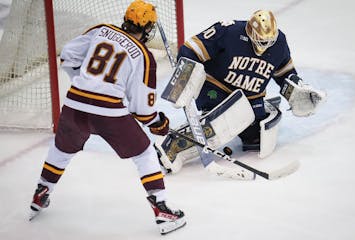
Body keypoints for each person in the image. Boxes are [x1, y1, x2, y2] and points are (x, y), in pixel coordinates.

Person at [29, 0, 186, 235]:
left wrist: (87, 85)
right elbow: (142, 110)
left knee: (62, 149)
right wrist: (158, 123)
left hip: (75, 104)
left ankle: (41, 193)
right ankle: (162, 210)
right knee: (144, 153)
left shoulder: (101, 29)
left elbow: (69, 56)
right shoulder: (143, 55)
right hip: (108, 113)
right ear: (148, 28)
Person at [157, 10, 326, 173]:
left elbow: (284, 73)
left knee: (257, 138)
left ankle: (253, 115)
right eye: (260, 40)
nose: (264, 45)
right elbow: (191, 49)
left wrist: (297, 89)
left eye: (268, 41)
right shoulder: (228, 31)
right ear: (250, 31)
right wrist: (185, 74)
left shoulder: (279, 43)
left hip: (251, 96)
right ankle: (173, 146)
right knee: (219, 123)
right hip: (216, 88)